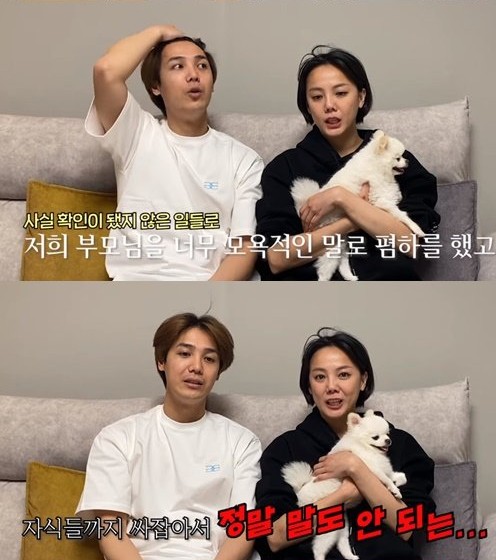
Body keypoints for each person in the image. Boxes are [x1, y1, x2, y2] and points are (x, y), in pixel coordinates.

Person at [76, 313, 262, 560]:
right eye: (184, 353)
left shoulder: (242, 442)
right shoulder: (117, 438)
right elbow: (111, 530)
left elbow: (244, 531)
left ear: (218, 371)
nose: (196, 367)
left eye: (209, 359)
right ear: (161, 361)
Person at [87, 26, 264, 280]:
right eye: (178, 66)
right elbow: (106, 71)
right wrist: (159, 32)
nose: (194, 75)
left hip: (207, 284)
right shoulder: (136, 135)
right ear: (155, 86)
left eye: (202, 66)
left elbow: (244, 249)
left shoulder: (243, 159)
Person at [255, 46, 440, 280]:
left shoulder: (393, 158)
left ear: (361, 97)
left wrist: (339, 197)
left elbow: (408, 242)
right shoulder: (284, 168)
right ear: (308, 106)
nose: (329, 105)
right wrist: (351, 220)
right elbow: (276, 258)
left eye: (341, 93)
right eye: (317, 97)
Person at [255, 328, 435, 560]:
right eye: (320, 377)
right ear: (309, 386)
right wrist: (342, 495)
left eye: (343, 375)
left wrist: (356, 468)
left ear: (363, 380)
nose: (331, 386)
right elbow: (275, 537)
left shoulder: (400, 444)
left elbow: (407, 527)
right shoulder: (285, 449)